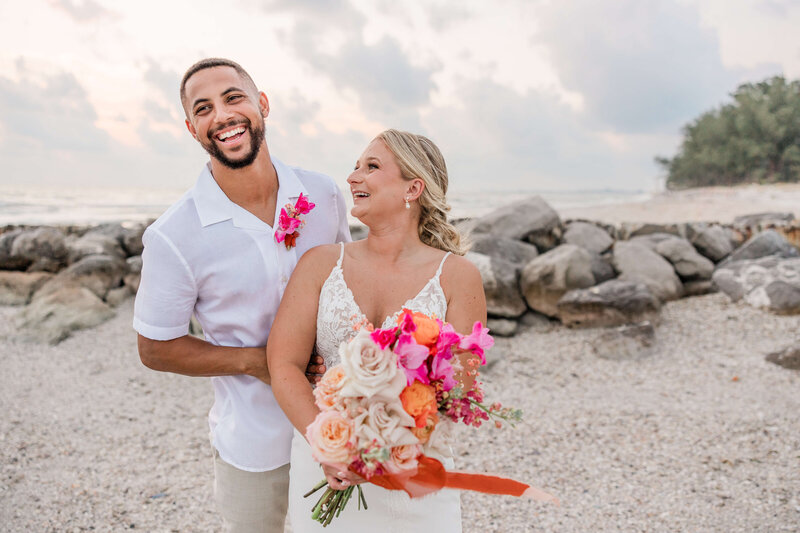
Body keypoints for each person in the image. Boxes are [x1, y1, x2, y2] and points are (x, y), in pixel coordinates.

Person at [133, 57, 350, 532]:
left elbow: (350, 285)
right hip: (255, 443)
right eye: (204, 108)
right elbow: (154, 347)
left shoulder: (324, 194)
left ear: (262, 105)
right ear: (192, 128)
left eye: (233, 98)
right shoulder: (174, 235)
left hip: (343, 423)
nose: (222, 115)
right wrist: (260, 362)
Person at [268, 129, 487, 532]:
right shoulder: (320, 264)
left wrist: (384, 446)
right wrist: (326, 443)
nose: (352, 178)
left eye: (370, 167)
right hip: (324, 460)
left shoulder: (458, 276)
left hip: (412, 469)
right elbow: (283, 363)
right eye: (354, 167)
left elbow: (458, 385)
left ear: (413, 188)